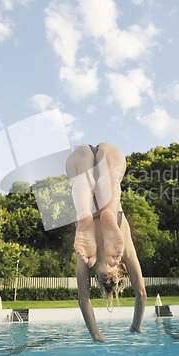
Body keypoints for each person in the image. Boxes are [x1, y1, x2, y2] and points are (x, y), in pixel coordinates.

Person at [66, 142, 147, 342]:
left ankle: (86, 215)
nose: (109, 281)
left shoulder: (87, 258)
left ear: (96, 278)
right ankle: (106, 215)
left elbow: (84, 301)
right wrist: (136, 326)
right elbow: (141, 293)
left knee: (82, 182)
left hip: (81, 158)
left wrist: (96, 334)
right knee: (109, 179)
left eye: (105, 284)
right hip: (110, 156)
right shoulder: (123, 251)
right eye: (115, 281)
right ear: (121, 270)